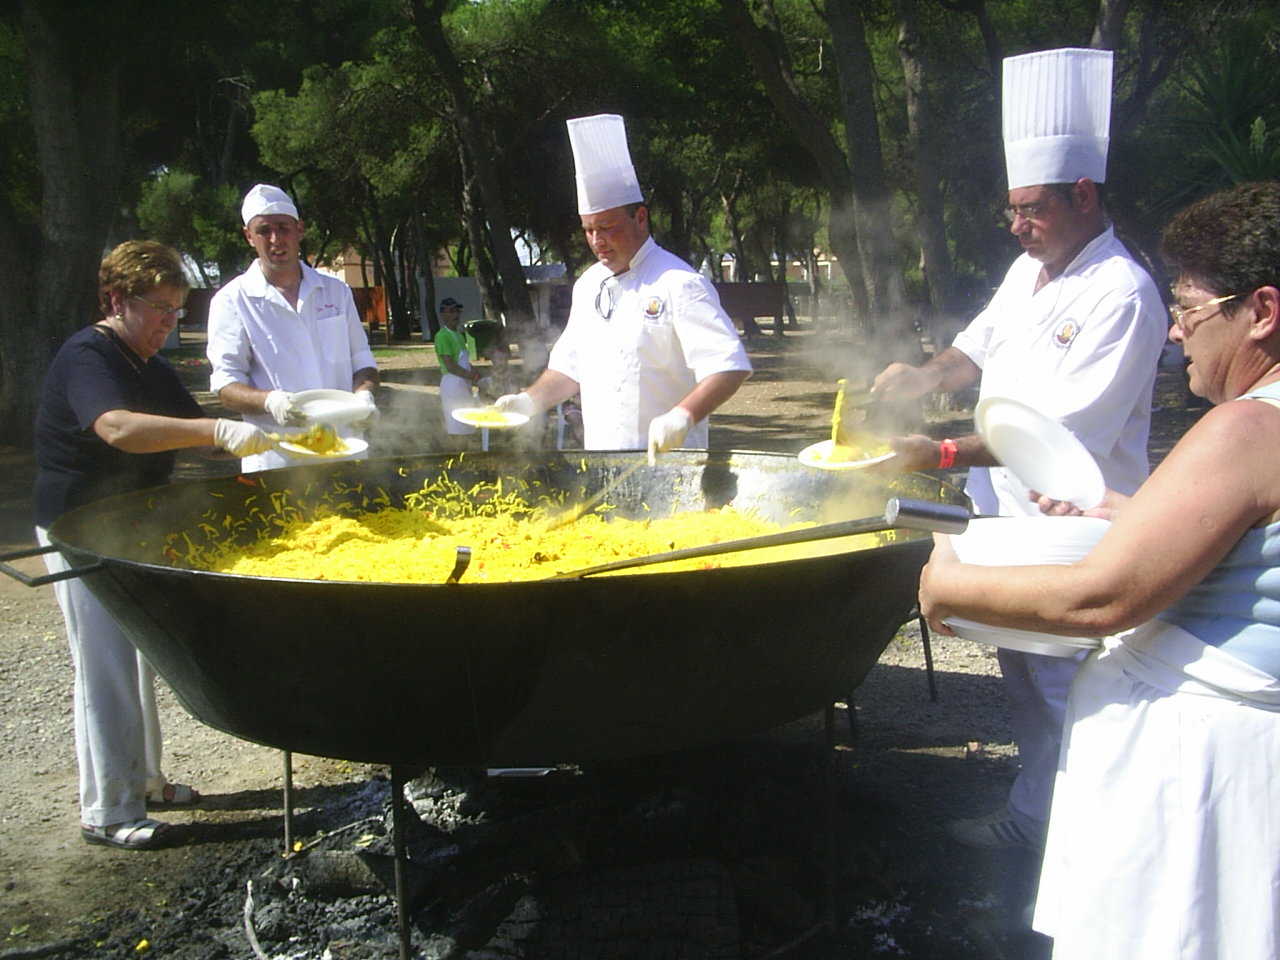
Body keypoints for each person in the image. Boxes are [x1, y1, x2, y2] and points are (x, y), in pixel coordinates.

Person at [919, 179, 1280, 960]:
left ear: (1263, 311)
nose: (1180, 335)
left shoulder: (1249, 426)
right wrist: (1133, 514)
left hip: (1204, 779)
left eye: (1189, 311)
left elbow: (1100, 598)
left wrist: (948, 580)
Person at [869, 49, 1167, 851]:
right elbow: (973, 350)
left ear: (1082, 194)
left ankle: (1103, 841)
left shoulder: (1123, 294)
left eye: (1031, 208)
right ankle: (1037, 816)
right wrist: (921, 377)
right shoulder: (1027, 268)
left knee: (1079, 683)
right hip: (1006, 522)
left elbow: (1053, 437)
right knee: (1023, 678)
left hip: (1080, 526)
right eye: (1011, 209)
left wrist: (933, 454)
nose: (1016, 224)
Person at [34, 240, 273, 850]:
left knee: (139, 653)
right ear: (117, 300)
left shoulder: (150, 363)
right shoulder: (91, 353)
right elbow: (116, 427)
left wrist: (287, 425)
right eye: (158, 308)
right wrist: (216, 427)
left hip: (128, 528)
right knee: (105, 665)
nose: (169, 322)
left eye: (176, 310)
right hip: (77, 529)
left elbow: (200, 439)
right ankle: (107, 810)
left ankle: (146, 782)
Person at [496, 114, 751, 458]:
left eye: (607, 226)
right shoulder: (588, 285)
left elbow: (729, 366)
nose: (597, 240)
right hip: (601, 465)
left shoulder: (680, 283)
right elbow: (568, 370)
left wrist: (683, 415)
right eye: (588, 229)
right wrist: (527, 401)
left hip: (670, 468)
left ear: (641, 217)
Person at [206, 183, 379, 471]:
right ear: (248, 236)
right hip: (276, 458)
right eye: (263, 230)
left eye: (283, 228)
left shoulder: (336, 291)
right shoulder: (232, 300)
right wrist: (271, 401)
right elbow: (225, 385)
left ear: (299, 230)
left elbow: (363, 360)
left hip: (345, 449)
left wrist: (365, 395)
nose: (275, 239)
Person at [434, 296, 481, 446]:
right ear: (443, 314)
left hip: (463, 384)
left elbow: (465, 362)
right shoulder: (442, 336)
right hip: (452, 385)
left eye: (457, 311)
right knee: (456, 427)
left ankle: (463, 455)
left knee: (466, 424)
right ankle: (456, 458)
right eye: (451, 311)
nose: (456, 315)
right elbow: (451, 366)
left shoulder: (460, 335)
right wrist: (471, 376)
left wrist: (476, 374)